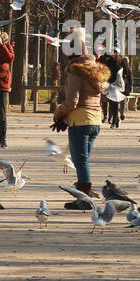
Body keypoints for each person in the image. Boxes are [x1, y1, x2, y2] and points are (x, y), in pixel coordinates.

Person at [52, 30, 110, 205]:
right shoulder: (97, 69)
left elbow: (72, 101)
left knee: (80, 160)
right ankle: (84, 193)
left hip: (80, 120)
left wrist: (58, 114)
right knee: (82, 160)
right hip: (95, 121)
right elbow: (102, 94)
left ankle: (84, 198)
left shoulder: (75, 70)